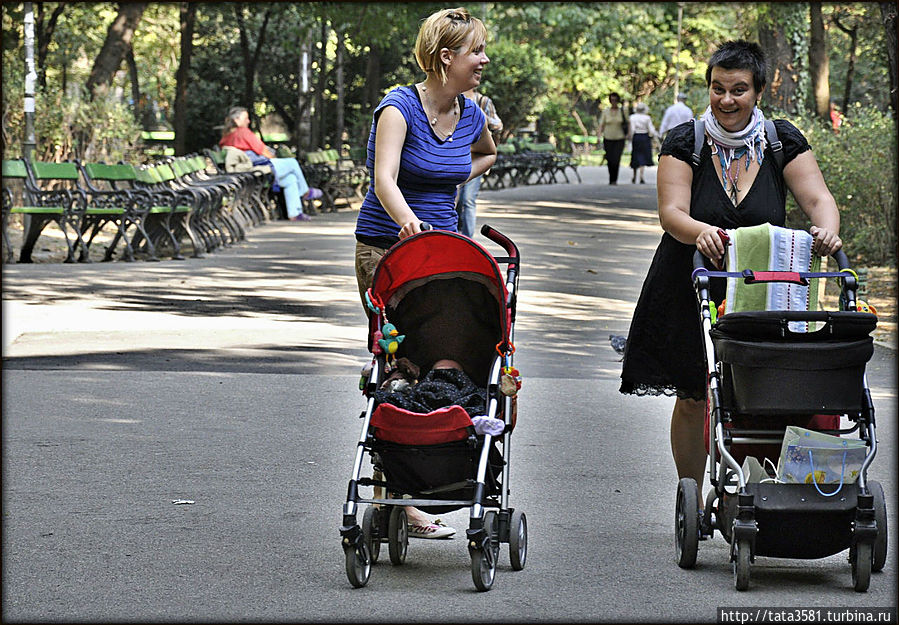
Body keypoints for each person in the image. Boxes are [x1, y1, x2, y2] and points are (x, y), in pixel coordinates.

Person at [619, 41, 842, 496]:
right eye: (717, 88)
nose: (726, 100)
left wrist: (827, 231)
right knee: (693, 393)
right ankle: (692, 497)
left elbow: (818, 200)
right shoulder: (687, 140)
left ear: (759, 90)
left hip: (765, 283)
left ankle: (770, 489)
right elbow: (672, 212)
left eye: (738, 89)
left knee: (767, 387)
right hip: (692, 280)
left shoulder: (783, 141)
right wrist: (698, 229)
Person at [353, 6, 497, 539]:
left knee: (444, 355)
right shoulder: (399, 109)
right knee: (397, 364)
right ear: (445, 57)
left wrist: (457, 175)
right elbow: (383, 180)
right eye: (475, 51)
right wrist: (411, 221)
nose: (483, 59)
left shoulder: (472, 114)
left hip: (445, 256)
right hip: (388, 251)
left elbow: (486, 153)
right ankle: (398, 498)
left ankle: (434, 473)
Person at [219, 106, 322, 222]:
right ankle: (305, 192)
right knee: (292, 163)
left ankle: (295, 214)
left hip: (247, 169)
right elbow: (262, 150)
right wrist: (273, 158)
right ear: (237, 120)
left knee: (290, 179)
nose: (248, 121)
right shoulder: (242, 132)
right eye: (246, 118)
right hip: (258, 168)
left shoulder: (228, 134)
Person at [455, 88, 503, 237]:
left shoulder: (483, 101)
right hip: (455, 158)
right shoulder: (452, 98)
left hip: (475, 158)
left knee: (468, 200)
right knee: (452, 200)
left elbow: (498, 126)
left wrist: (483, 119)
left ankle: (468, 240)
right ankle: (454, 236)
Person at [598, 92, 628, 185]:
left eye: (615, 100)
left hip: (620, 138)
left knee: (616, 159)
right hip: (608, 137)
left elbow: (628, 123)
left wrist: (629, 134)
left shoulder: (623, 111)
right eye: (612, 100)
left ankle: (615, 179)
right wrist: (599, 136)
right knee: (610, 159)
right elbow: (601, 125)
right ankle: (611, 178)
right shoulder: (605, 111)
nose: (613, 102)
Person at [627, 102, 659, 184]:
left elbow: (632, 129)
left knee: (635, 155)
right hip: (644, 137)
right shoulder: (647, 118)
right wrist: (656, 135)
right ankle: (641, 175)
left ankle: (634, 176)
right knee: (643, 156)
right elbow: (651, 129)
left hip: (636, 137)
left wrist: (629, 138)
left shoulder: (632, 117)